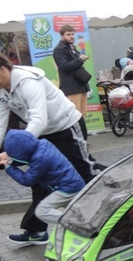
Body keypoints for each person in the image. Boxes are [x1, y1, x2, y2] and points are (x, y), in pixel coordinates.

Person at [0, 53, 97, 246]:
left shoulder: (28, 81)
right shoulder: (2, 89)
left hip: (66, 127)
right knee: (39, 180)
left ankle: (111, 214)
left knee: (84, 172)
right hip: (39, 134)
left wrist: (16, 148)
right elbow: (1, 122)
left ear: (2, 68)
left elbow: (39, 119)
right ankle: (36, 231)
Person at [1, 129, 85, 226]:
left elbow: (27, 180)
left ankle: (76, 225)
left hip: (68, 189)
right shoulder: (42, 145)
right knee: (79, 214)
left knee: (42, 211)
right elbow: (25, 158)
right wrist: (9, 158)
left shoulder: (40, 159)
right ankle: (85, 227)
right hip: (71, 184)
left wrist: (8, 167)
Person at [52, 24, 90, 138]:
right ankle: (77, 139)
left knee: (82, 114)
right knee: (74, 115)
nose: (71, 36)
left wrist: (80, 58)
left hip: (80, 85)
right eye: (68, 34)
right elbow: (64, 66)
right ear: (62, 36)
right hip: (71, 88)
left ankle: (82, 138)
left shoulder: (72, 47)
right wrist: (80, 60)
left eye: (73, 34)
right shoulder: (59, 50)